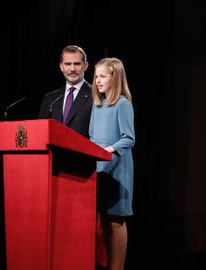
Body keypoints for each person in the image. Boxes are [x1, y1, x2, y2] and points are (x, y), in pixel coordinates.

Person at [89, 57, 135, 270]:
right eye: (96, 76)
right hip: (99, 169)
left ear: (115, 78)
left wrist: (108, 150)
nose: (98, 81)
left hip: (117, 168)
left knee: (116, 220)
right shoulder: (97, 105)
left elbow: (128, 138)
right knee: (104, 220)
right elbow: (90, 137)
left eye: (103, 76)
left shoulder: (122, 104)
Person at [38, 45, 92, 138]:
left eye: (77, 64)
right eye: (67, 64)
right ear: (61, 67)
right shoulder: (49, 100)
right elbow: (40, 133)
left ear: (86, 66)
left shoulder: (97, 95)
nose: (72, 69)